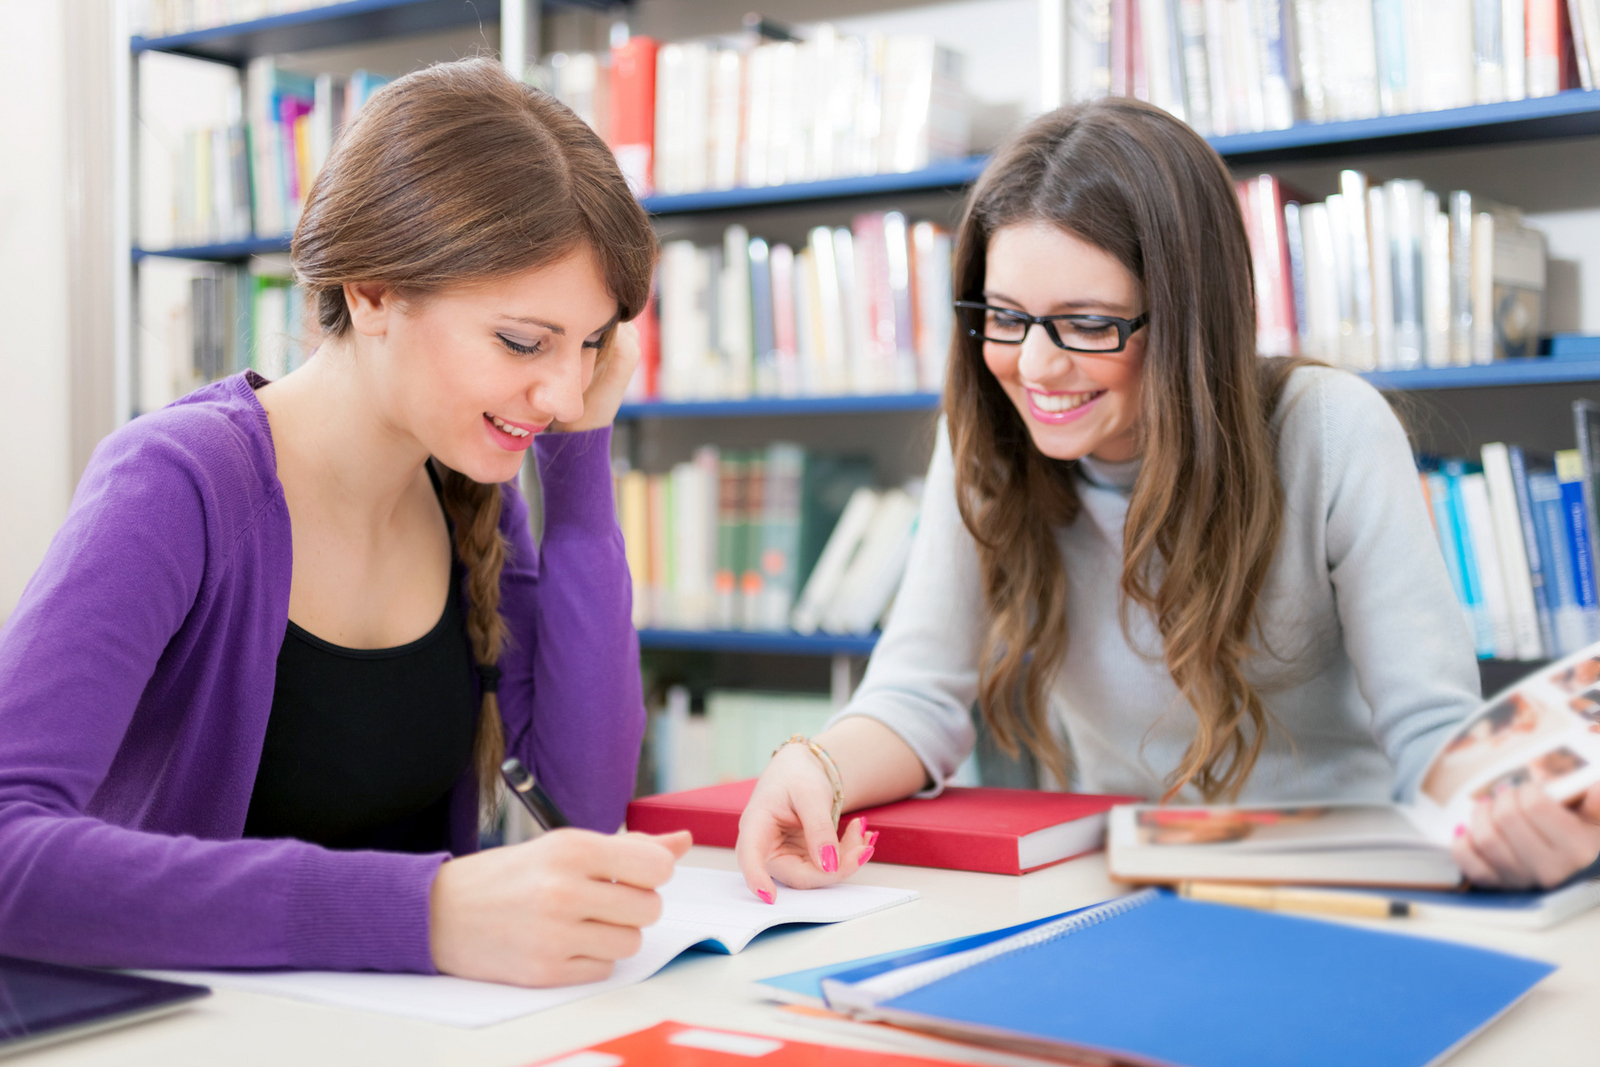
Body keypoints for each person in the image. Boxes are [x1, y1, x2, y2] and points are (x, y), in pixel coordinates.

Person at [736, 97, 1600, 895]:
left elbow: (1432, 732)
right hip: (1117, 879)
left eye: (1087, 323)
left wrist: (1505, 824)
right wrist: (818, 766)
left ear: (1189, 318)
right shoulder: (988, 443)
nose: (1034, 367)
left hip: (1340, 881)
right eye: (1004, 316)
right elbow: (915, 697)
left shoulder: (1330, 430)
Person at [0, 59, 689, 988]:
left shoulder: (474, 500)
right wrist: (422, 912)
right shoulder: (178, 483)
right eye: (523, 342)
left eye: (593, 344)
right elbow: (9, 852)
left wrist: (581, 457)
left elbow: (586, 798)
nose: (564, 391)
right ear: (369, 292)